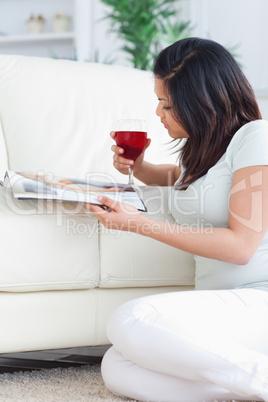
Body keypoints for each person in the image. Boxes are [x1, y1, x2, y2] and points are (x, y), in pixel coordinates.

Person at [85, 37, 268, 401]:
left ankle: (258, 377)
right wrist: (140, 168)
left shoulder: (255, 138)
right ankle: (242, 384)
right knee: (117, 365)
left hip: (257, 301)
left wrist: (136, 223)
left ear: (202, 104)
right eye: (158, 102)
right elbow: (186, 182)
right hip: (218, 307)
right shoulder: (201, 153)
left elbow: (240, 247)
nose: (158, 113)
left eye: (167, 104)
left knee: (130, 319)